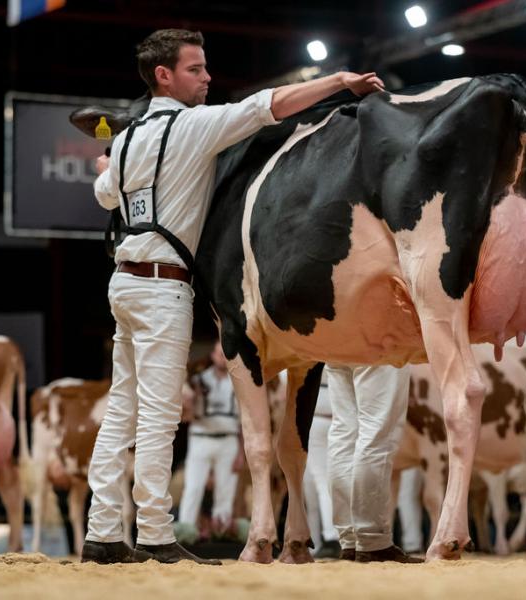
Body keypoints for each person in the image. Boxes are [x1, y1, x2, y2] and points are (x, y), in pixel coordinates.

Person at [82, 28, 384, 565]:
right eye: (196, 69)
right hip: (162, 285)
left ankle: (103, 531)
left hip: (122, 282)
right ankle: (153, 534)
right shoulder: (195, 126)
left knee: (120, 413)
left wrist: (107, 167)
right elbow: (268, 106)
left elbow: (104, 190)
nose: (207, 77)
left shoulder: (126, 139)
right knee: (157, 416)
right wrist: (339, 81)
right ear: (164, 76)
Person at [327, 364, 421, 563]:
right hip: (378, 338)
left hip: (332, 341)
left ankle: (350, 539)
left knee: (344, 432)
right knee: (377, 432)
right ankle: (372, 540)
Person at [177, 343, 241, 536]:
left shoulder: (239, 382)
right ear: (212, 355)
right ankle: (186, 532)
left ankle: (221, 533)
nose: (222, 357)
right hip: (200, 437)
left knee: (226, 490)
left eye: (226, 354)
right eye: (219, 353)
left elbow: (244, 421)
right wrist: (191, 400)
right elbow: (185, 416)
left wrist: (242, 452)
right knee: (193, 486)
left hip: (229, 439)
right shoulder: (197, 380)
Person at [302, 378, 341, 558]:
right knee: (310, 488)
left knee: (322, 482)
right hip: (333, 421)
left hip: (316, 422)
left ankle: (331, 538)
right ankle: (314, 544)